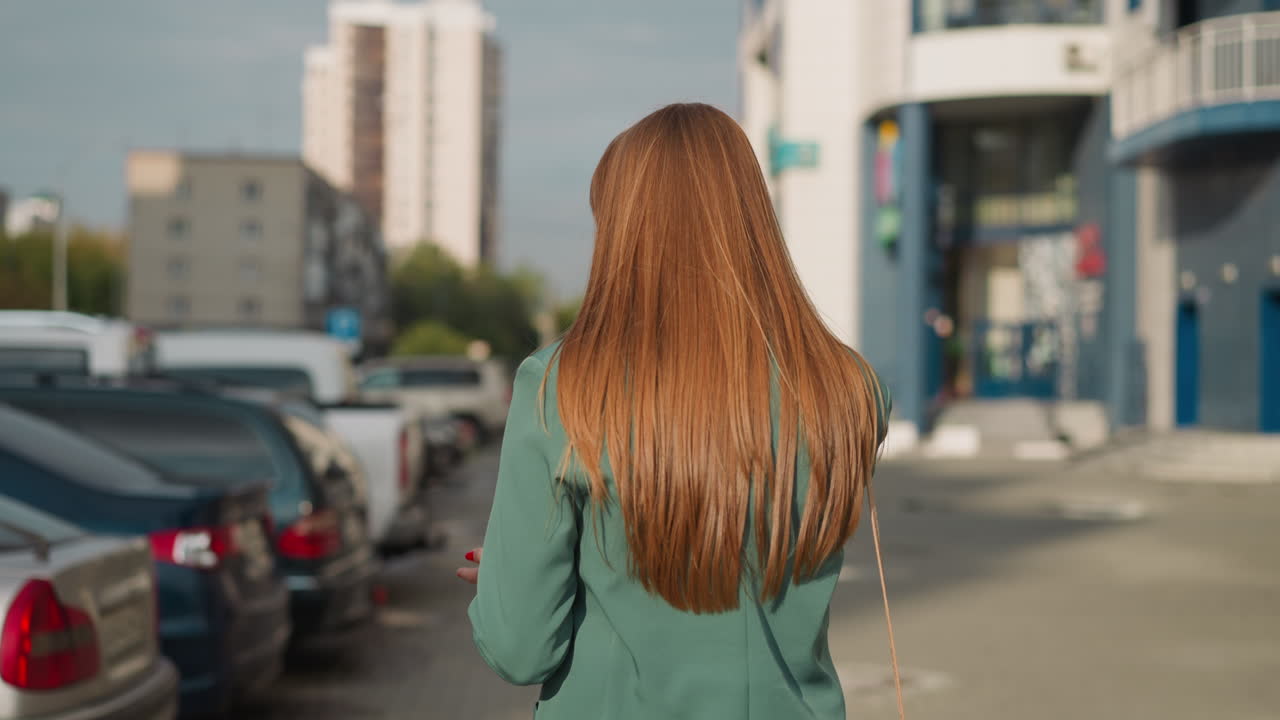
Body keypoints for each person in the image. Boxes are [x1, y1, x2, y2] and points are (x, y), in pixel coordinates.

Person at [458, 103, 893, 720]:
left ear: (623, 232)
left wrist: (511, 583)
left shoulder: (561, 385)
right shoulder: (850, 389)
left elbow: (520, 647)